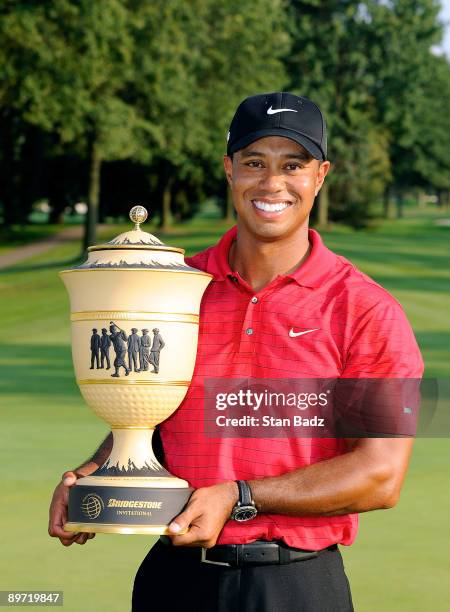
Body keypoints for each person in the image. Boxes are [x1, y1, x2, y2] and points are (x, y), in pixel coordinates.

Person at [48, 92, 423, 612]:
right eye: (254, 163)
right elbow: (147, 409)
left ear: (320, 175)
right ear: (229, 171)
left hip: (295, 586)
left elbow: (380, 474)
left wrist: (241, 496)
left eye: (293, 165)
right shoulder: (170, 287)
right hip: (174, 580)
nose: (272, 183)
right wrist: (99, 472)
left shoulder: (367, 311)